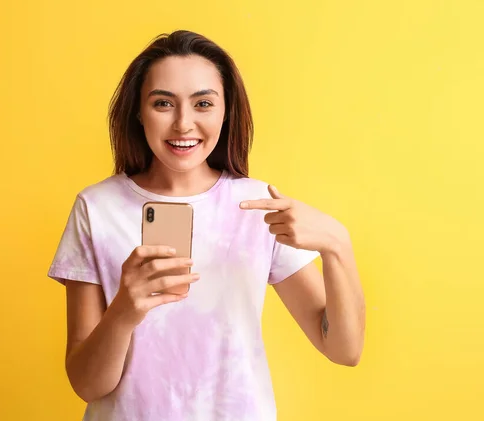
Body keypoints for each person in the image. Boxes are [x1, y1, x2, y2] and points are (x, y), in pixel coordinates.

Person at [47, 29, 365, 421]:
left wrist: (337, 245)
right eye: (163, 103)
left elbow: (344, 350)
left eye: (203, 104)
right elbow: (88, 385)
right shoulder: (96, 208)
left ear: (225, 111)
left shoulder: (258, 205)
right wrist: (124, 311)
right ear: (137, 112)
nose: (183, 124)